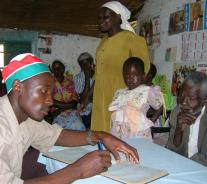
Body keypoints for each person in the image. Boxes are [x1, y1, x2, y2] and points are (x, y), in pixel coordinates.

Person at [0, 53, 139, 183]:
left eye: (51, 93)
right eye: (43, 91)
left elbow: (57, 136)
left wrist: (101, 136)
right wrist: (79, 170)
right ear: (18, 87)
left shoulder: (25, 117)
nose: (50, 101)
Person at [88, 1, 150, 132]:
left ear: (119, 17)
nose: (101, 21)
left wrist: (133, 101)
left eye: (106, 17)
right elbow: (98, 75)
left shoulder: (132, 39)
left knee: (117, 132)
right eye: (99, 18)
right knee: (100, 132)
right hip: (100, 96)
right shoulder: (102, 42)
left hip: (120, 97)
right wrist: (85, 100)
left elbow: (144, 71)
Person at [167, 71, 207, 170]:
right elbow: (171, 151)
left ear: (205, 100)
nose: (183, 102)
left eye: (191, 98)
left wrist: (184, 164)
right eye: (181, 95)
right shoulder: (178, 112)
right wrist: (179, 131)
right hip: (183, 168)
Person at [109, 57, 163, 140]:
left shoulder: (146, 91)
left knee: (138, 151)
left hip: (138, 133)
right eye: (127, 75)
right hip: (119, 132)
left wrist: (151, 121)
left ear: (143, 76)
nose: (130, 78)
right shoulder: (119, 93)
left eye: (135, 75)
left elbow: (160, 107)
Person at [51, 60, 85, 131]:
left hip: (70, 112)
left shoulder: (70, 82)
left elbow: (74, 102)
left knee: (79, 127)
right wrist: (68, 106)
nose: (58, 70)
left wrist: (61, 109)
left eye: (60, 68)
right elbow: (51, 101)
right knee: (58, 130)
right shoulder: (49, 82)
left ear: (63, 69)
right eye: (55, 69)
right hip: (58, 115)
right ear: (53, 70)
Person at [74, 52, 95, 129]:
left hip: (97, 108)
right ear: (80, 66)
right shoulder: (78, 77)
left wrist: (90, 99)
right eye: (83, 64)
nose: (86, 66)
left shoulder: (99, 74)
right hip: (84, 110)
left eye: (88, 62)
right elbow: (82, 99)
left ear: (92, 61)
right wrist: (87, 77)